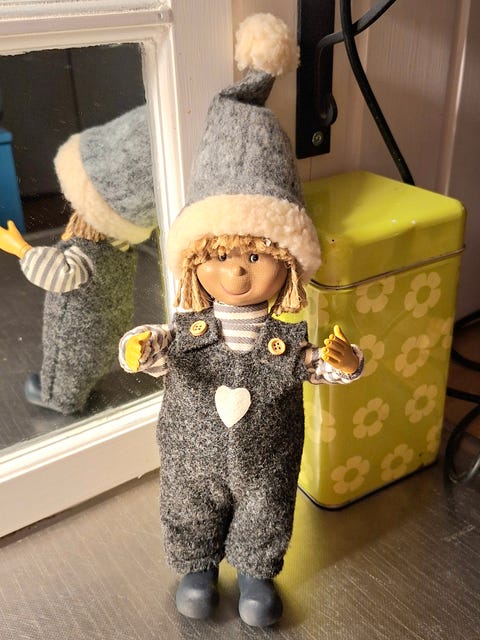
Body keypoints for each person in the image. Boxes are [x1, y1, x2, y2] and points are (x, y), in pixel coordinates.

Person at [119, 14, 364, 628]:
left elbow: (317, 369)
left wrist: (343, 363)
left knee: (267, 507)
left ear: (288, 263)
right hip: (190, 454)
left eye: (256, 256)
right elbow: (160, 350)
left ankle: (256, 572)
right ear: (194, 262)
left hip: (267, 459)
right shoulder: (190, 328)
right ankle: (196, 567)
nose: (236, 271)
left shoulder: (287, 338)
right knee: (188, 502)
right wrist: (141, 347)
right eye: (220, 256)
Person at [0, 106, 157, 414]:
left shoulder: (86, 252)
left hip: (79, 332)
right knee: (93, 359)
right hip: (109, 327)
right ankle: (83, 385)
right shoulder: (120, 245)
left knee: (68, 366)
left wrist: (21, 248)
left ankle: (60, 398)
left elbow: (59, 273)